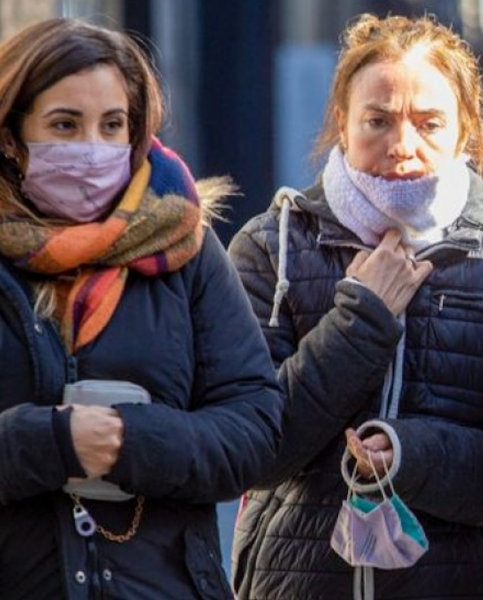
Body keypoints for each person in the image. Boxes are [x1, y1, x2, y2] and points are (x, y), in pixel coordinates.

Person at [229, 12, 483, 600]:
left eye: (429, 123)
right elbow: (246, 449)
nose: (402, 147)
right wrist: (360, 319)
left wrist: (411, 456)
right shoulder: (274, 246)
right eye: (377, 120)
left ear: (465, 133)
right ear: (341, 125)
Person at [0, 18, 283, 600]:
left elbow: (253, 427)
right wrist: (50, 443)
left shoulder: (185, 249)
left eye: (112, 126)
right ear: (11, 136)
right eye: (64, 125)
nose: (92, 150)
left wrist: (132, 441)